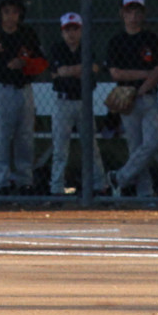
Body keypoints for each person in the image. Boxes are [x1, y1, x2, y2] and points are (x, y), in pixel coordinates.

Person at [0, 0, 46, 195]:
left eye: (14, 12)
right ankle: (1, 183)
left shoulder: (27, 34)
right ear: (0, 14)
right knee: (1, 137)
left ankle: (24, 181)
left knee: (24, 137)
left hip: (23, 89)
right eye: (6, 12)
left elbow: (42, 63)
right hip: (2, 89)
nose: (10, 16)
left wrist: (24, 63)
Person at [105, 0, 158, 197]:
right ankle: (144, 193)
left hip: (148, 96)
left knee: (152, 143)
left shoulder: (150, 38)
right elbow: (116, 73)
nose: (133, 16)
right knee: (135, 147)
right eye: (129, 11)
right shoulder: (116, 41)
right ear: (122, 13)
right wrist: (143, 74)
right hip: (126, 98)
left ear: (143, 14)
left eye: (137, 11)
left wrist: (143, 87)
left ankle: (120, 177)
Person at [47, 11, 107, 197]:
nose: (71, 34)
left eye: (75, 29)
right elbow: (59, 72)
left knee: (91, 147)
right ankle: (56, 188)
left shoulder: (87, 48)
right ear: (62, 32)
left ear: (81, 31)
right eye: (67, 30)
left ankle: (99, 186)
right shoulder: (57, 48)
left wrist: (70, 70)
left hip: (84, 101)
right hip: (63, 101)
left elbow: (94, 68)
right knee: (60, 148)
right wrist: (81, 68)